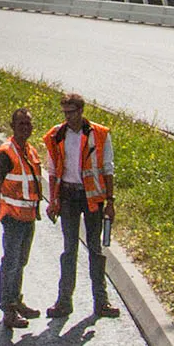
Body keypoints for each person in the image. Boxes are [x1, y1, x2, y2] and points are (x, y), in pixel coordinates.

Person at [43, 91, 119, 322]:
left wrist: (110, 202)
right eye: (64, 112)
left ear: (81, 111)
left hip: (92, 199)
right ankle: (64, 301)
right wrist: (54, 200)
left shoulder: (100, 134)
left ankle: (101, 301)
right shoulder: (57, 135)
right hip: (68, 196)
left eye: (71, 112)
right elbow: (53, 170)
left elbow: (108, 168)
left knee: (95, 249)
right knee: (69, 250)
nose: (67, 117)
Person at [0, 105, 44, 332]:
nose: (26, 127)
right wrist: (2, 207)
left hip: (28, 217)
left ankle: (17, 300)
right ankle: (8, 309)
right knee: (10, 263)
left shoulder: (30, 151)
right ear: (13, 127)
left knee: (20, 261)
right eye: (21, 124)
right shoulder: (5, 153)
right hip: (13, 218)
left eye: (29, 123)